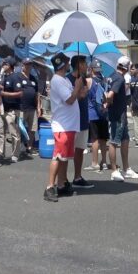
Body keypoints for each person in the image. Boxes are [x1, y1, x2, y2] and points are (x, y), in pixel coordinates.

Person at [45, 53, 86, 202]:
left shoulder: (64, 80)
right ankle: (50, 186)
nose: (69, 65)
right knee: (58, 156)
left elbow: (74, 97)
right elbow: (69, 99)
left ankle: (62, 183)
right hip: (62, 125)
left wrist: (80, 91)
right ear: (63, 65)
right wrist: (77, 87)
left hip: (69, 125)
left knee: (65, 157)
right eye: (67, 63)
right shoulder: (57, 80)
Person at [104, 56, 138, 181]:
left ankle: (126, 169)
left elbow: (107, 92)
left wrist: (107, 103)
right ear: (127, 67)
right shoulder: (119, 78)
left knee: (125, 139)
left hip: (120, 113)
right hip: (117, 114)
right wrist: (108, 103)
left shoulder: (112, 75)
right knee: (114, 141)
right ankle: (114, 171)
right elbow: (110, 94)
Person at [67, 55, 95, 189]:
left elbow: (83, 95)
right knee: (66, 152)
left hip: (83, 119)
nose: (86, 66)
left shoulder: (83, 79)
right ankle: (62, 180)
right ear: (78, 65)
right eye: (84, 63)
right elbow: (68, 100)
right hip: (71, 121)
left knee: (80, 149)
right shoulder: (67, 79)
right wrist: (79, 93)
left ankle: (77, 177)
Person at [0, 57, 25, 163]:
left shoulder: (15, 77)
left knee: (14, 133)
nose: (3, 65)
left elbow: (20, 93)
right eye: (3, 63)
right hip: (2, 108)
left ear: (10, 65)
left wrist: (4, 94)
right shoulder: (2, 77)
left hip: (12, 110)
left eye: (5, 63)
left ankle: (15, 154)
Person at [15, 59, 41, 156]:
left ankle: (29, 147)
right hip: (21, 107)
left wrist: (38, 107)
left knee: (32, 129)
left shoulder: (33, 78)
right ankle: (20, 147)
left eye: (29, 65)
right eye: (26, 64)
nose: (28, 66)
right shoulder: (18, 77)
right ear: (22, 65)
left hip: (32, 108)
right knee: (20, 129)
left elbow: (37, 94)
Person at [86, 60, 109, 171]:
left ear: (91, 69)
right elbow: (106, 97)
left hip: (93, 113)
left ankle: (94, 163)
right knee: (103, 139)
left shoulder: (89, 81)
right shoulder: (104, 80)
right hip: (104, 113)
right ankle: (104, 162)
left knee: (94, 140)